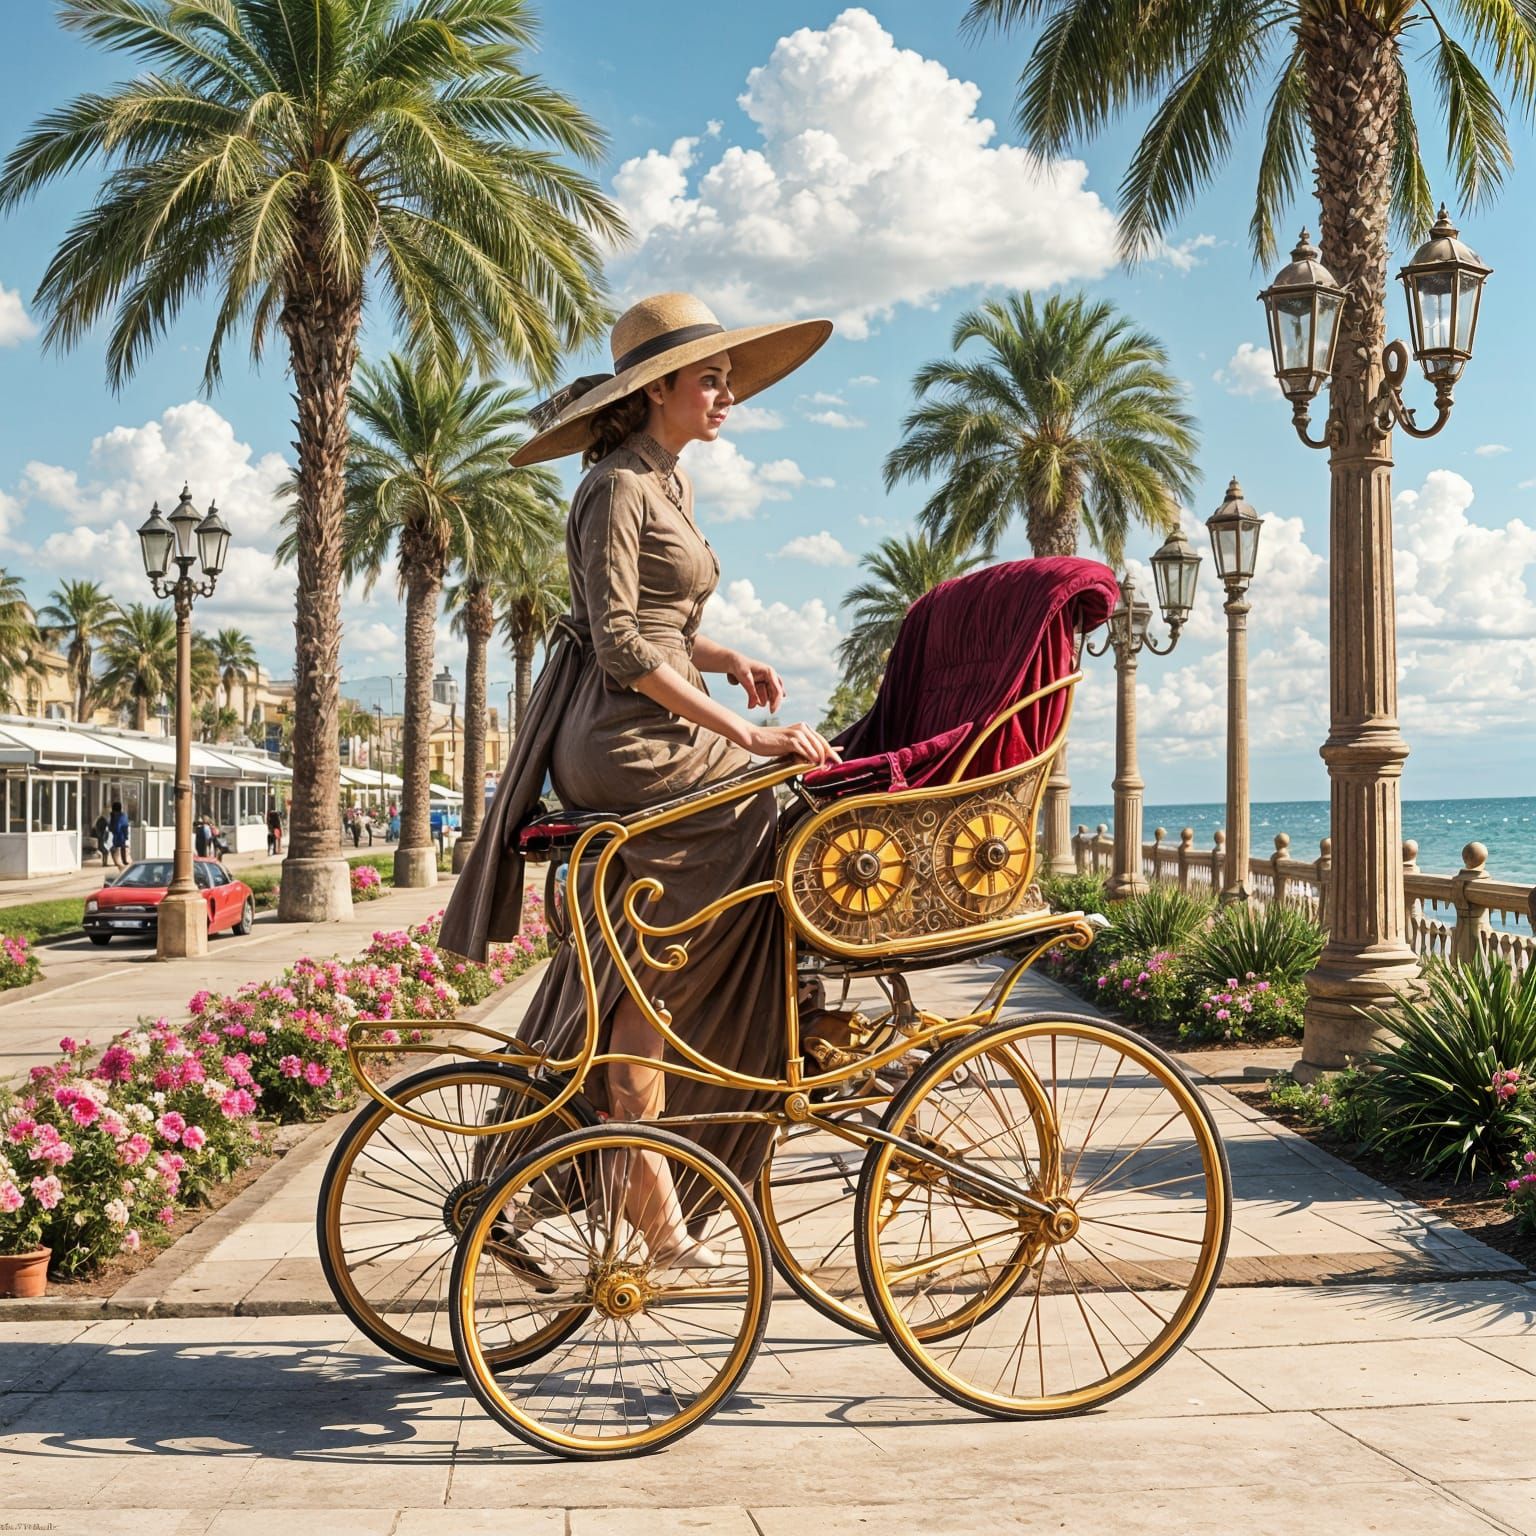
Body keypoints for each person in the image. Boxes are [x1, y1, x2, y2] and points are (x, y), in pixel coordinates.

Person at [442, 292, 838, 1267]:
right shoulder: (617, 487)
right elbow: (619, 644)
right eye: (710, 377)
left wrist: (726, 656)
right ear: (657, 386)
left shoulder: (664, 481)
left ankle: (646, 1163)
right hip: (621, 738)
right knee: (769, 805)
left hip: (643, 716)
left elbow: (660, 626)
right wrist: (746, 734)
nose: (727, 393)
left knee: (652, 967)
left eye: (729, 378)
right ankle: (715, 1060)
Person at [109, 801, 130, 868]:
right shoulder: (123, 815)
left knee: (115, 847)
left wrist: (113, 830)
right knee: (122, 847)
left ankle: (116, 861)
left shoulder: (116, 816)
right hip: (122, 833)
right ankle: (124, 861)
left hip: (118, 833)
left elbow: (116, 826)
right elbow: (126, 825)